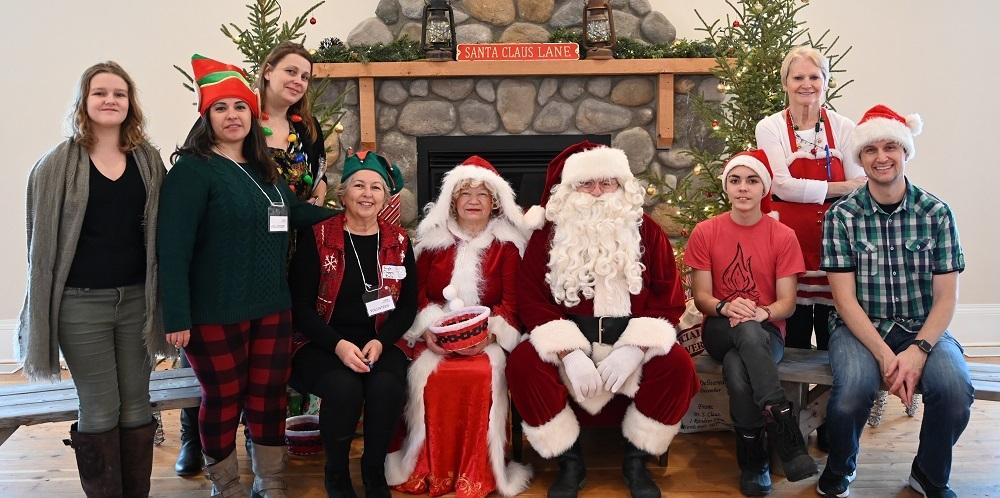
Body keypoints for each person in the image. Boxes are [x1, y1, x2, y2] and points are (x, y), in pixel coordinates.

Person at [158, 54, 333, 498]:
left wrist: (346, 215)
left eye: (240, 107)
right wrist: (176, 315)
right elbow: (173, 250)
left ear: (253, 115)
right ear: (206, 116)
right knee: (222, 398)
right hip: (214, 311)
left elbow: (291, 213)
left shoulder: (262, 169)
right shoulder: (192, 171)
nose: (232, 115)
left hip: (272, 306)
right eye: (221, 108)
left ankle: (270, 482)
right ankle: (227, 486)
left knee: (268, 396)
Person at [505, 142, 700, 498]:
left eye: (606, 183)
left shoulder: (647, 231)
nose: (597, 192)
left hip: (630, 339)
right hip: (568, 337)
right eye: (586, 183)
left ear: (621, 186)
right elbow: (530, 297)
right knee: (523, 364)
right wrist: (569, 353)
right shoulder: (547, 235)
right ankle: (569, 461)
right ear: (570, 189)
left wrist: (634, 349)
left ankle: (637, 459)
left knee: (678, 366)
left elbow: (668, 298)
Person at [17, 61, 169, 498]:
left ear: (130, 103)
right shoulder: (55, 165)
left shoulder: (148, 160)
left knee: (137, 405)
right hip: (80, 306)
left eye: (119, 93)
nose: (110, 100)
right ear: (84, 101)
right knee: (101, 407)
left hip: (138, 301)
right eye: (100, 92)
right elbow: (39, 245)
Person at [817, 105, 973, 498]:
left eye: (890, 147)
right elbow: (844, 301)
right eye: (870, 149)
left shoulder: (936, 213)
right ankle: (842, 465)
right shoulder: (841, 217)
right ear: (860, 157)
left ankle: (929, 474)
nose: (881, 157)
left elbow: (946, 298)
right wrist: (887, 356)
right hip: (859, 328)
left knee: (954, 391)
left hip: (923, 326)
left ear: (905, 152)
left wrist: (918, 351)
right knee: (851, 393)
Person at [386, 156, 534, 497]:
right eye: (465, 193)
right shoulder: (431, 242)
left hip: (487, 340)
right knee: (429, 375)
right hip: (435, 337)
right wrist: (429, 330)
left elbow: (511, 303)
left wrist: (488, 334)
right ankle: (429, 466)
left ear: (495, 202)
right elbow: (416, 295)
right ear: (452, 200)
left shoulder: (508, 246)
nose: (473, 200)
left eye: (482, 194)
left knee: (480, 374)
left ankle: (477, 469)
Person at [685, 150, 818, 496]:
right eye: (735, 180)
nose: (743, 188)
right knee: (743, 329)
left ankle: (754, 462)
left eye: (752, 180)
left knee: (737, 367)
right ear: (726, 187)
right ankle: (784, 424)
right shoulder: (706, 231)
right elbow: (702, 297)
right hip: (718, 326)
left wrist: (763, 313)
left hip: (767, 330)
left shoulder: (782, 235)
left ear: (764, 188)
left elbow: (787, 303)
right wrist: (727, 306)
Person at [287, 150, 416, 498]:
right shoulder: (318, 237)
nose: (367, 194)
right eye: (358, 185)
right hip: (322, 342)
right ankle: (337, 473)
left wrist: (382, 341)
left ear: (385, 197)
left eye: (376, 187)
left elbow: (407, 307)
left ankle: (373, 471)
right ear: (343, 194)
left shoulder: (399, 241)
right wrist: (339, 346)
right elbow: (300, 308)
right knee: (344, 388)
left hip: (378, 341)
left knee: (386, 386)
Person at [755, 46, 867, 352]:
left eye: (815, 77)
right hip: (790, 242)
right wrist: (838, 187)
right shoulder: (770, 127)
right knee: (795, 334)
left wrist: (832, 187)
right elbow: (781, 185)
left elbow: (859, 186)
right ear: (785, 83)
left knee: (835, 334)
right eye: (798, 77)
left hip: (837, 243)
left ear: (826, 81)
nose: (807, 84)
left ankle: (834, 383)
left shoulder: (845, 127)